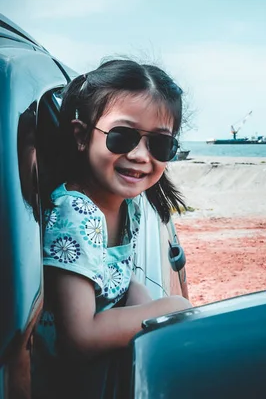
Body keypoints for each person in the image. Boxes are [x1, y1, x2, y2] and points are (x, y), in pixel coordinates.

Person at [33, 59, 191, 394]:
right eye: (122, 137)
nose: (139, 155)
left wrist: (146, 310)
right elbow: (80, 336)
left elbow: (117, 275)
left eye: (159, 144)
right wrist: (169, 308)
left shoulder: (128, 204)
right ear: (81, 136)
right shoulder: (75, 213)